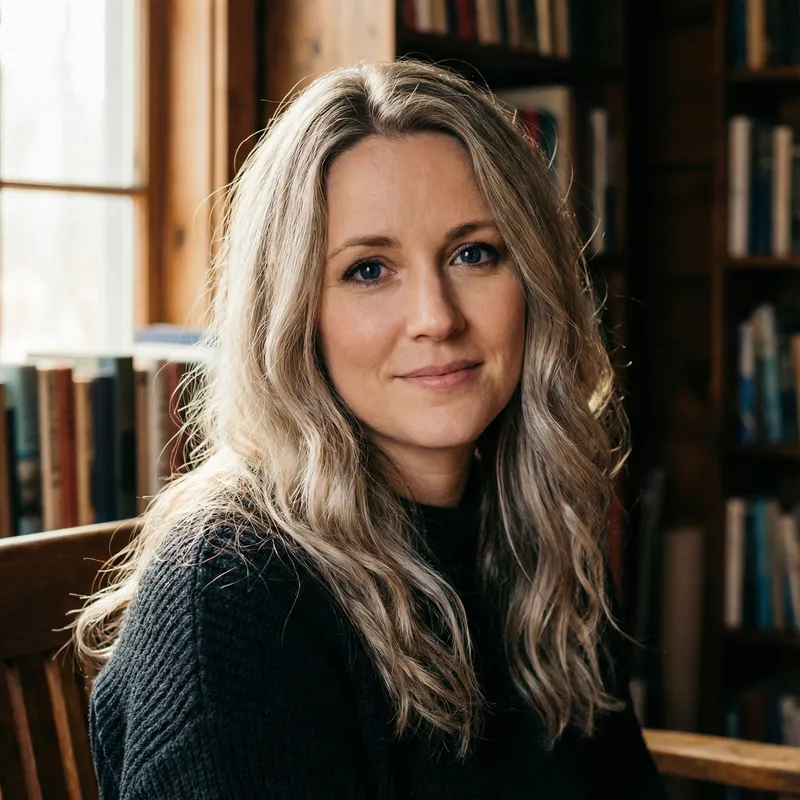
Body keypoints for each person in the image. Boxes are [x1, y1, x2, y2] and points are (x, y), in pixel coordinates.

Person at [74, 58, 665, 799]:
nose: (437, 317)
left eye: (473, 254)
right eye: (368, 270)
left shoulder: (535, 523)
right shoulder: (228, 597)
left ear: (534, 282)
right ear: (293, 316)